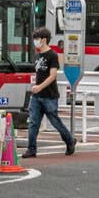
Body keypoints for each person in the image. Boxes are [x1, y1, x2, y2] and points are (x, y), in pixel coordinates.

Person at [24, 27, 74, 159]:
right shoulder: (38, 55)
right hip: (37, 95)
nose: (35, 41)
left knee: (55, 121)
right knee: (33, 122)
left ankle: (69, 140)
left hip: (49, 95)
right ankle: (31, 148)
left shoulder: (52, 55)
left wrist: (39, 87)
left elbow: (53, 76)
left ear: (44, 40)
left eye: (37, 39)